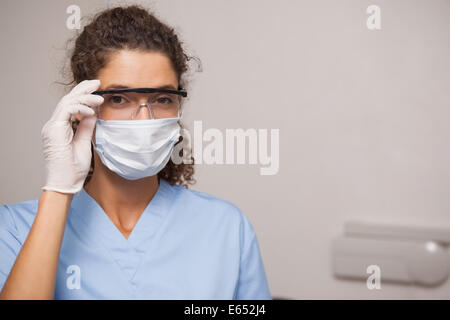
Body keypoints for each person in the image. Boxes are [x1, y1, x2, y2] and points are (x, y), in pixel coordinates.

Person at [0, 5, 271, 300]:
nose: (145, 120)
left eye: (163, 98)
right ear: (81, 106)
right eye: (118, 98)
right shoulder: (15, 227)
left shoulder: (227, 227)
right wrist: (58, 190)